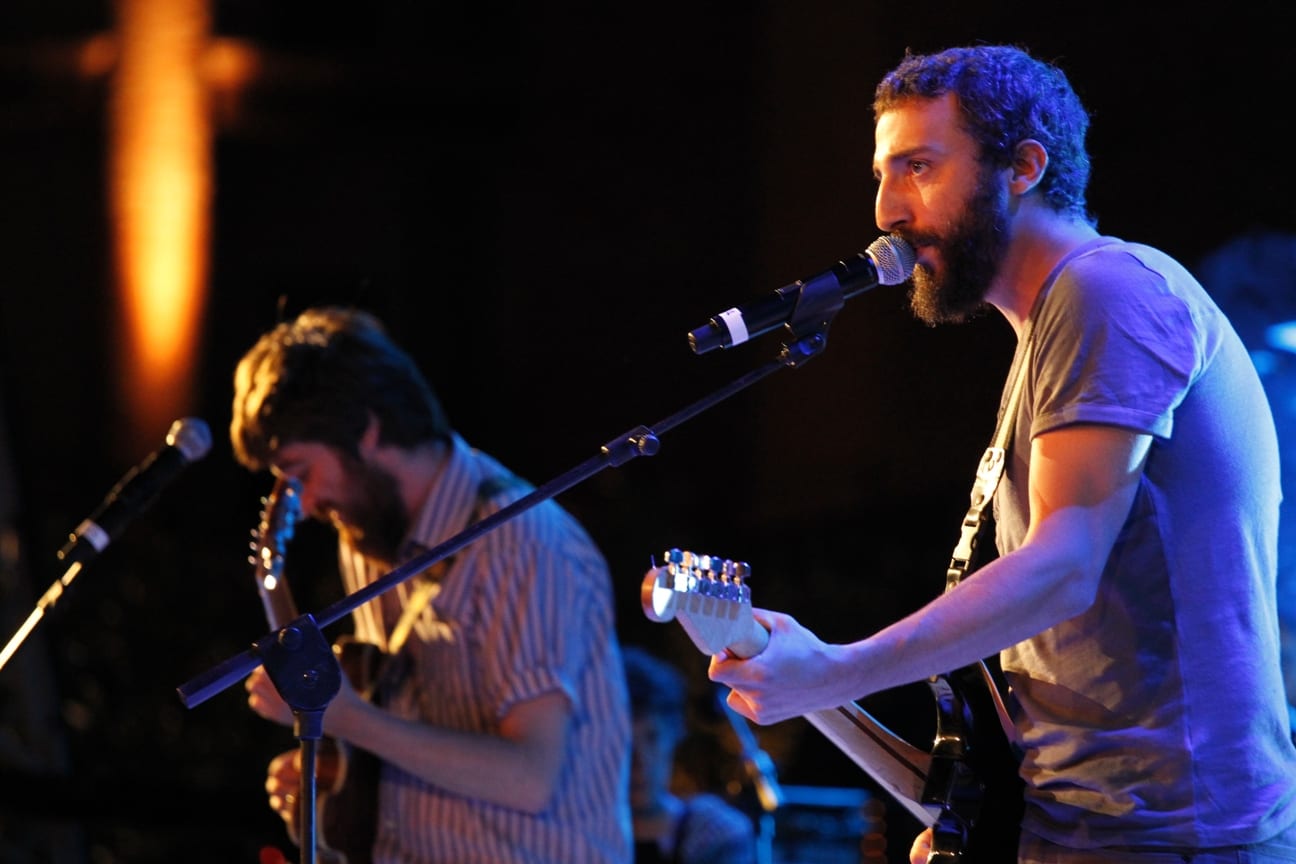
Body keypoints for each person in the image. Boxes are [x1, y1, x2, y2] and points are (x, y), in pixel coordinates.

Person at [706, 44, 1296, 863]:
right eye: (882, 173)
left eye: (918, 167)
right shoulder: (1050, 327)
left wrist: (839, 669)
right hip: (1083, 828)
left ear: (1022, 167)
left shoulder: (1107, 291)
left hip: (1171, 839)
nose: (886, 210)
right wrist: (965, 812)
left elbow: (1063, 567)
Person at [233, 306, 632, 863]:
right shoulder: (366, 538)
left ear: (366, 430)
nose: (307, 503)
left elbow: (531, 775)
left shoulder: (521, 541)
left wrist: (347, 718)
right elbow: (400, 731)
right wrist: (337, 770)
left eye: (302, 473)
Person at [622, 645, 757, 864]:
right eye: (623, 743)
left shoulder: (713, 834)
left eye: (652, 738)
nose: (639, 760)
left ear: (674, 734)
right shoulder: (577, 835)